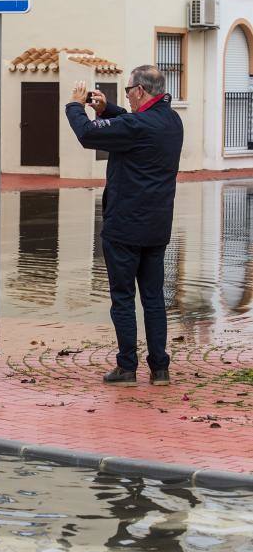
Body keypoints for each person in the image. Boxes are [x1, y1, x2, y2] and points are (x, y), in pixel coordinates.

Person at [65, 66, 183, 387]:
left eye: (128, 90)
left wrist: (76, 106)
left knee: (122, 297)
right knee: (154, 299)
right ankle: (160, 369)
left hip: (124, 229)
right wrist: (108, 109)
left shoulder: (136, 125)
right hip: (157, 228)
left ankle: (127, 368)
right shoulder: (172, 121)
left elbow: (89, 134)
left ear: (141, 91)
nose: (127, 95)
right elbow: (133, 123)